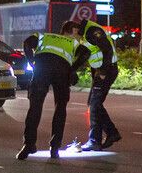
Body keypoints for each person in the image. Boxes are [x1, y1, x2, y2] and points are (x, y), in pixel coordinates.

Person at [17, 21, 87, 160]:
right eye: (78, 33)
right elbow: (86, 53)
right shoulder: (73, 43)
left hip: (42, 68)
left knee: (35, 108)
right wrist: (72, 70)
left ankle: (28, 145)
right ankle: (54, 148)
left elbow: (26, 43)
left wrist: (32, 62)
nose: (79, 37)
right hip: (62, 71)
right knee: (60, 108)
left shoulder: (44, 36)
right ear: (71, 30)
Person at [72, 18, 121, 151]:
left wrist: (103, 71)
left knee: (94, 105)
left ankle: (97, 139)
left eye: (72, 36)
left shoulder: (92, 31)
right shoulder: (85, 34)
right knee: (93, 104)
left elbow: (107, 50)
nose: (73, 39)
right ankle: (109, 134)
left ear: (74, 30)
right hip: (100, 71)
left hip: (106, 70)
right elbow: (84, 55)